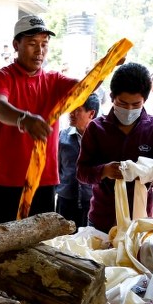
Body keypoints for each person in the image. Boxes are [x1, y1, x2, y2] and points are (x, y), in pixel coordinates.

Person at [0, 14, 76, 224]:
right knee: (5, 248)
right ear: (16, 45)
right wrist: (24, 119)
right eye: (32, 44)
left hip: (44, 182)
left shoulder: (54, 80)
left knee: (41, 247)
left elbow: (85, 87)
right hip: (7, 182)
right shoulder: (2, 76)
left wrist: (108, 66)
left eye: (44, 44)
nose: (40, 51)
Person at [77, 63, 153, 233]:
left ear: (145, 100)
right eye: (123, 103)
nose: (129, 110)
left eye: (136, 104)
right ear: (112, 97)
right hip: (102, 218)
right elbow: (81, 172)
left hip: (140, 221)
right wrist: (104, 171)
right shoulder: (96, 128)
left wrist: (142, 173)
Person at [56, 94, 99, 229]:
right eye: (71, 109)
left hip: (91, 202)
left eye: (77, 110)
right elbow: (56, 168)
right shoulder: (62, 136)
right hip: (65, 201)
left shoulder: (101, 139)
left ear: (91, 113)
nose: (71, 114)